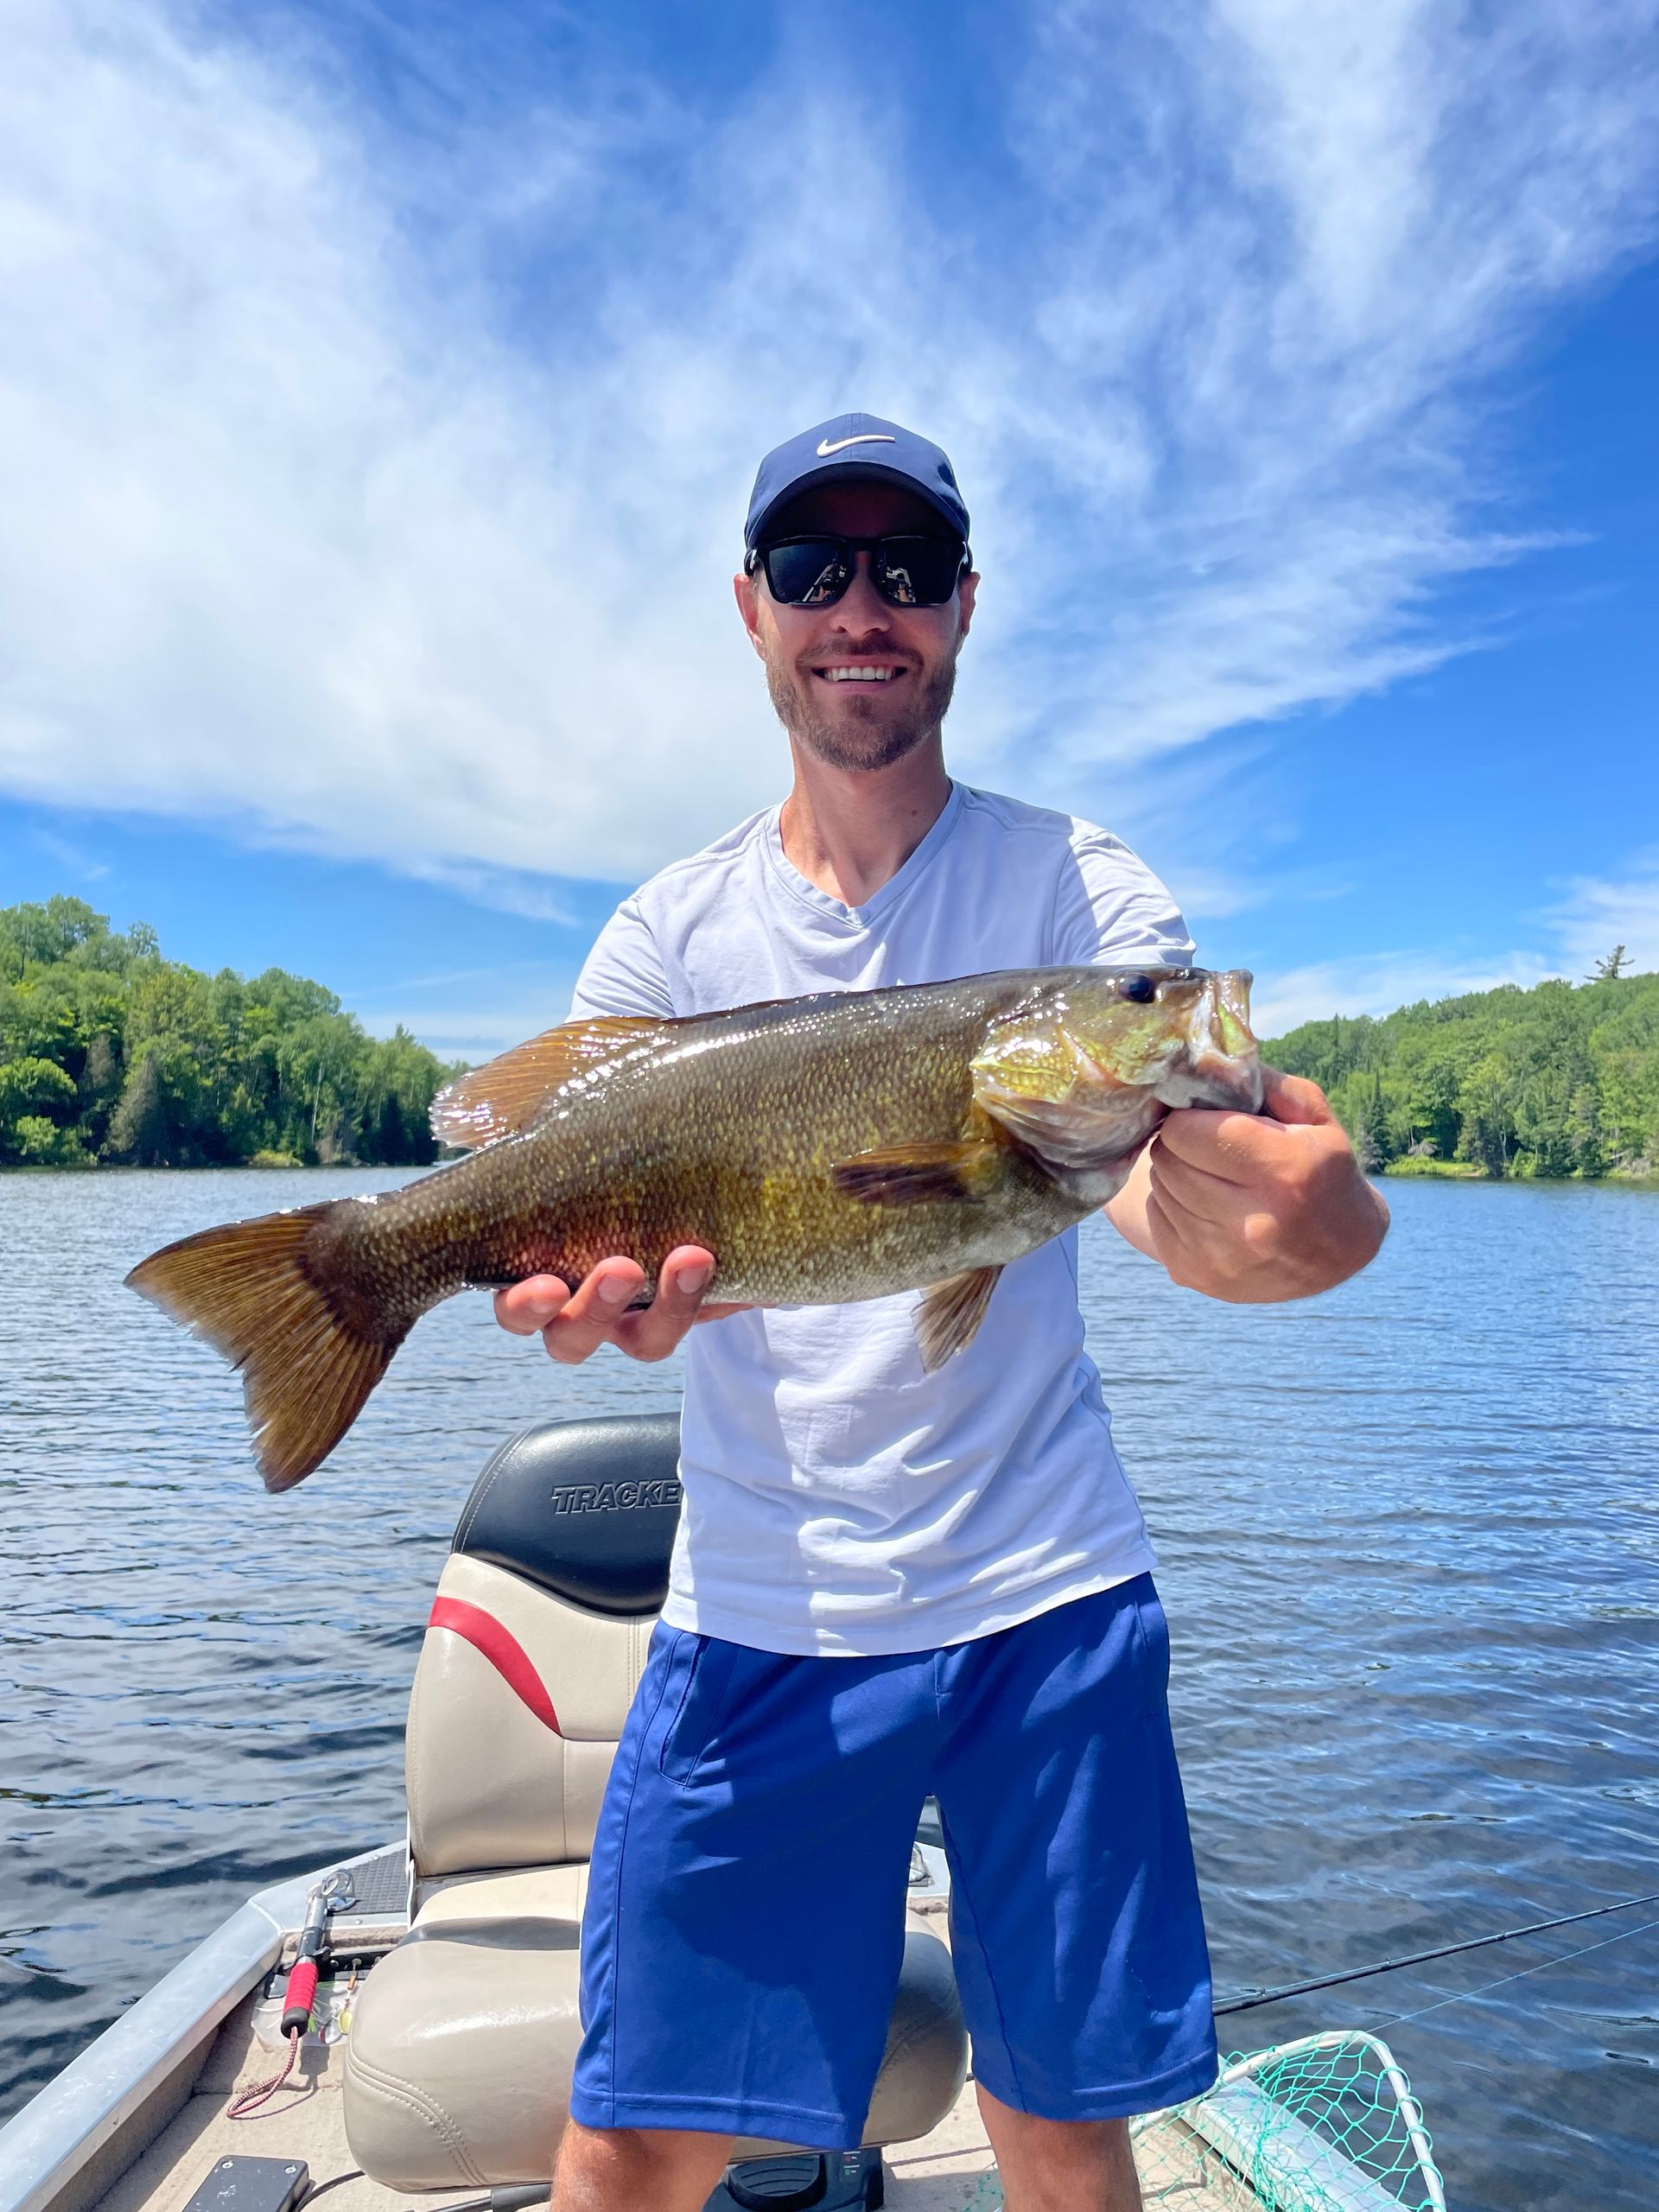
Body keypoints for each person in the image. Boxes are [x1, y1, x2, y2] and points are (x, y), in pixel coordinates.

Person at [495, 415, 1389, 2212]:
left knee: (1067, 2119)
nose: (862, 607)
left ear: (963, 609)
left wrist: (1314, 1221)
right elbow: (582, 1225)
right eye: (816, 570)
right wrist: (598, 1301)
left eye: (905, 569)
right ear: (752, 609)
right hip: (761, 1600)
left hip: (1047, 1594)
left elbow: (1175, 1191)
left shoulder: (1076, 889)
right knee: (633, 2136)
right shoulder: (666, 937)